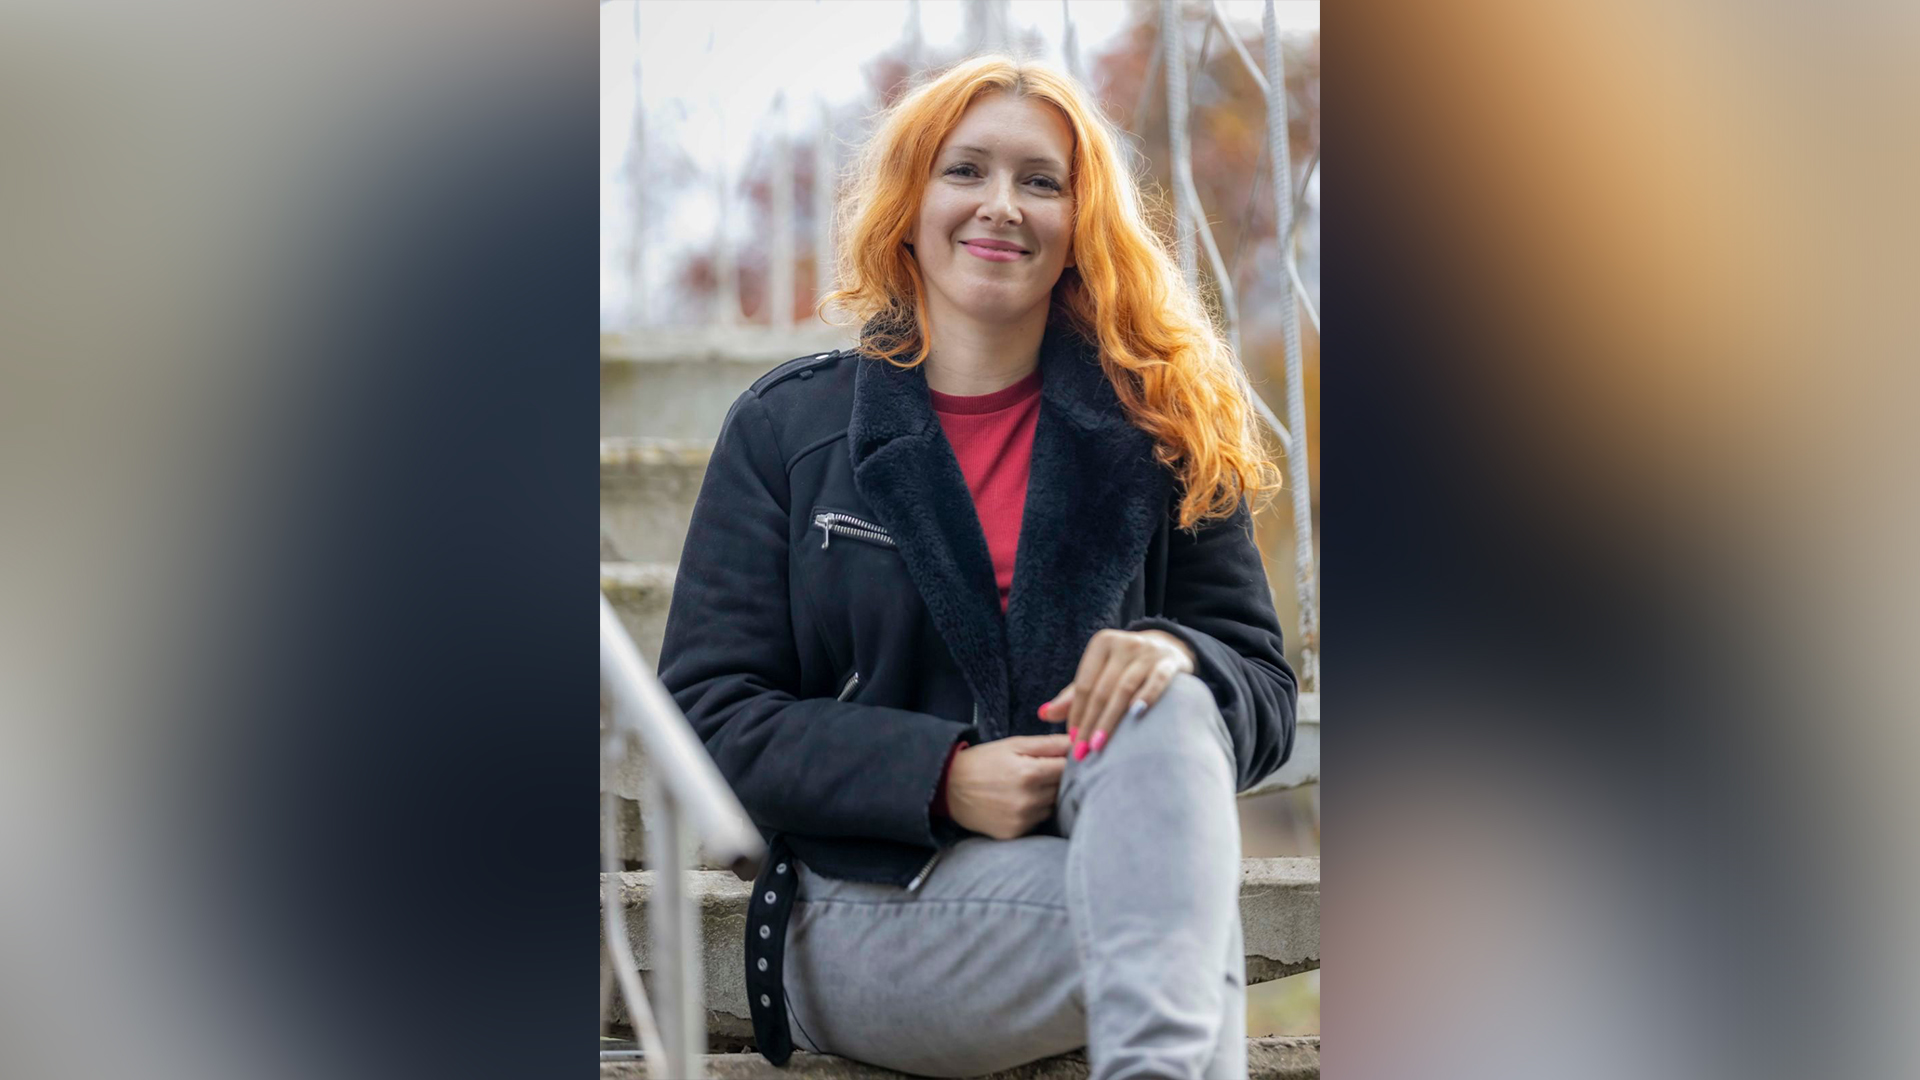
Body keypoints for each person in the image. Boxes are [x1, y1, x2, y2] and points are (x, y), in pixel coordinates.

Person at [656, 54, 1298, 1080]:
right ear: (910, 205)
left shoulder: (1165, 429)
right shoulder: (787, 430)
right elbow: (706, 718)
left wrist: (1175, 657)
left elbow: (1260, 689)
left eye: (1041, 181)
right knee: (1179, 926)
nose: (1003, 205)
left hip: (1104, 855)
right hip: (867, 901)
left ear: (1079, 223)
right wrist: (941, 777)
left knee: (1172, 700)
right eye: (966, 171)